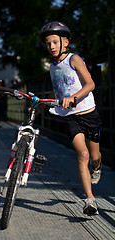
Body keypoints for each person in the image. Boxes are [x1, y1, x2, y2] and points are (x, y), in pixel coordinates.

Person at [39, 21, 102, 216]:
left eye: (55, 43)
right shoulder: (52, 67)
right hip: (70, 117)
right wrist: (43, 102)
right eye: (48, 44)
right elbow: (59, 90)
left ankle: (97, 166)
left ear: (65, 41)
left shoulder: (74, 59)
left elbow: (90, 84)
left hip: (88, 113)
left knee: (94, 156)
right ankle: (90, 200)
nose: (51, 47)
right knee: (82, 154)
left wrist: (74, 97)